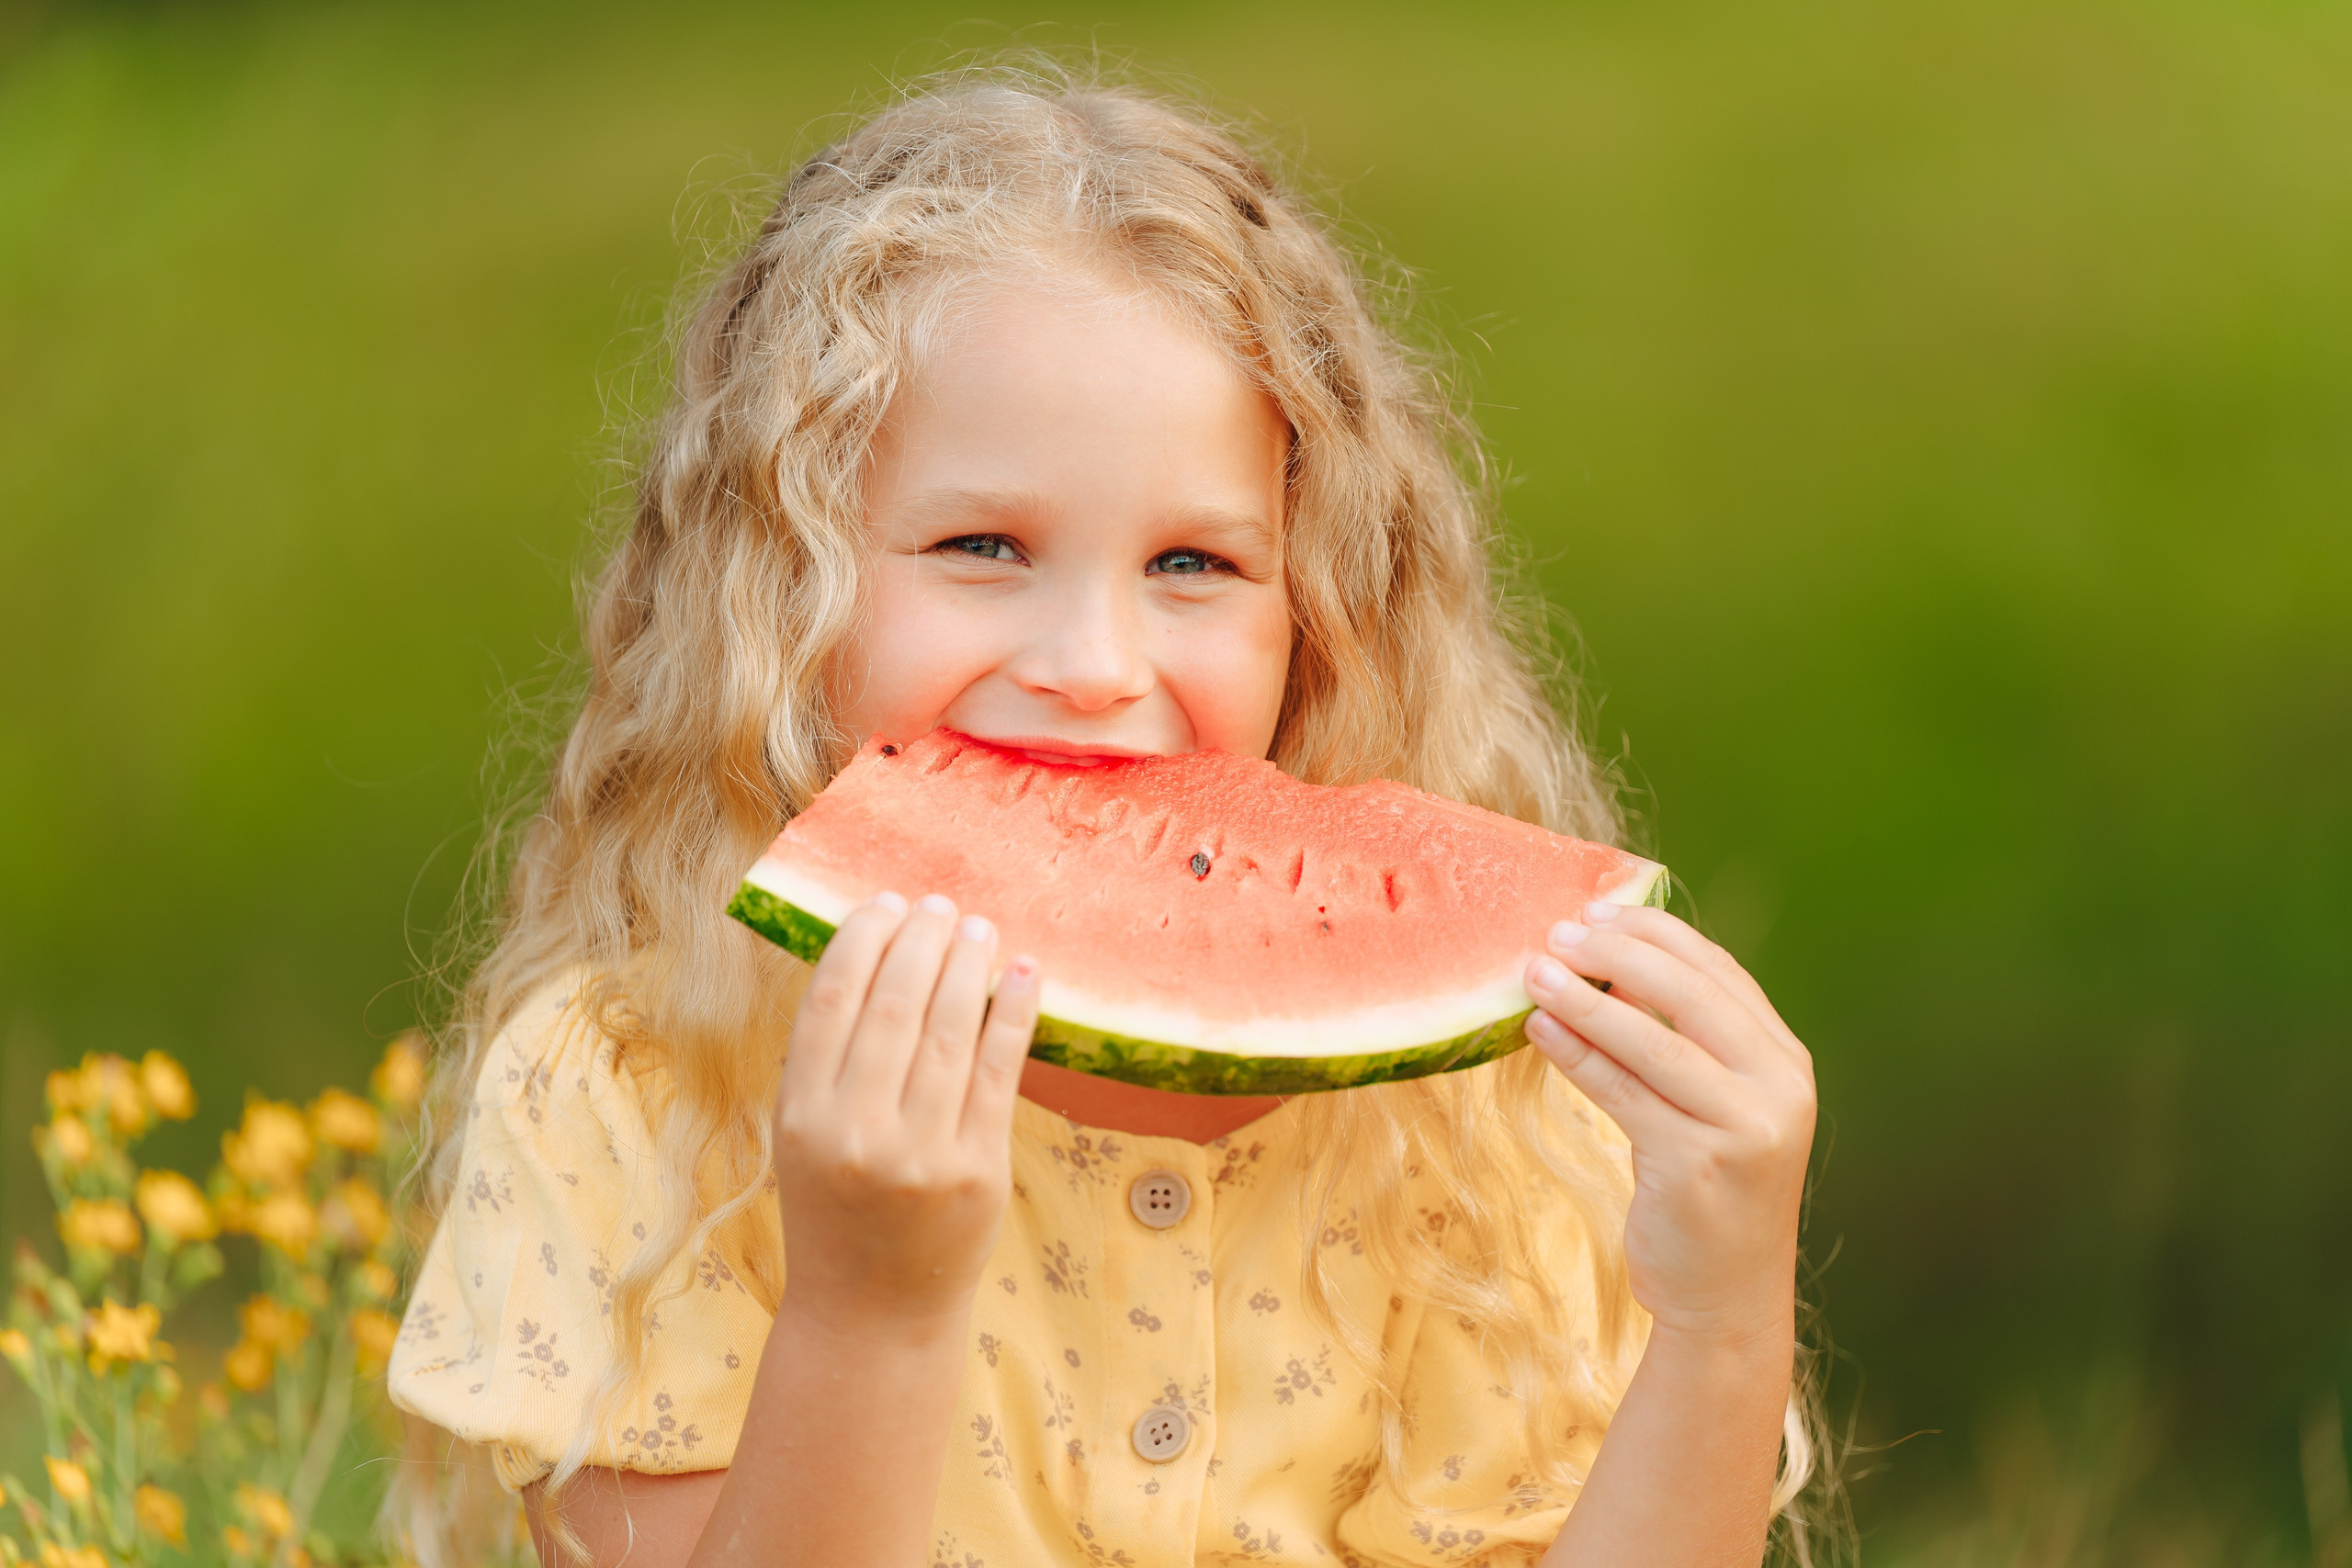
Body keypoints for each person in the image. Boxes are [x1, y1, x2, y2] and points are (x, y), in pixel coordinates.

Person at [387, 68, 1824, 1568]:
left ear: (1319, 622)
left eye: (1195, 566)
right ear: (787, 591)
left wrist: (1723, 1317)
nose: (1090, 668)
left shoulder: (1473, 1126)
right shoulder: (637, 1095)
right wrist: (869, 1307)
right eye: (982, 545)